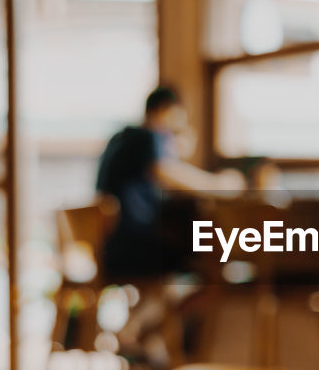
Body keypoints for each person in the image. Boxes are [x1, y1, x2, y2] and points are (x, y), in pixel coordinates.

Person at [95, 85, 243, 279]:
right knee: (208, 255)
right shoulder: (149, 137)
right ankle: (201, 303)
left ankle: (169, 304)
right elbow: (170, 173)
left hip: (111, 246)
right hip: (135, 246)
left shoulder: (122, 137)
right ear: (165, 111)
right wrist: (219, 185)